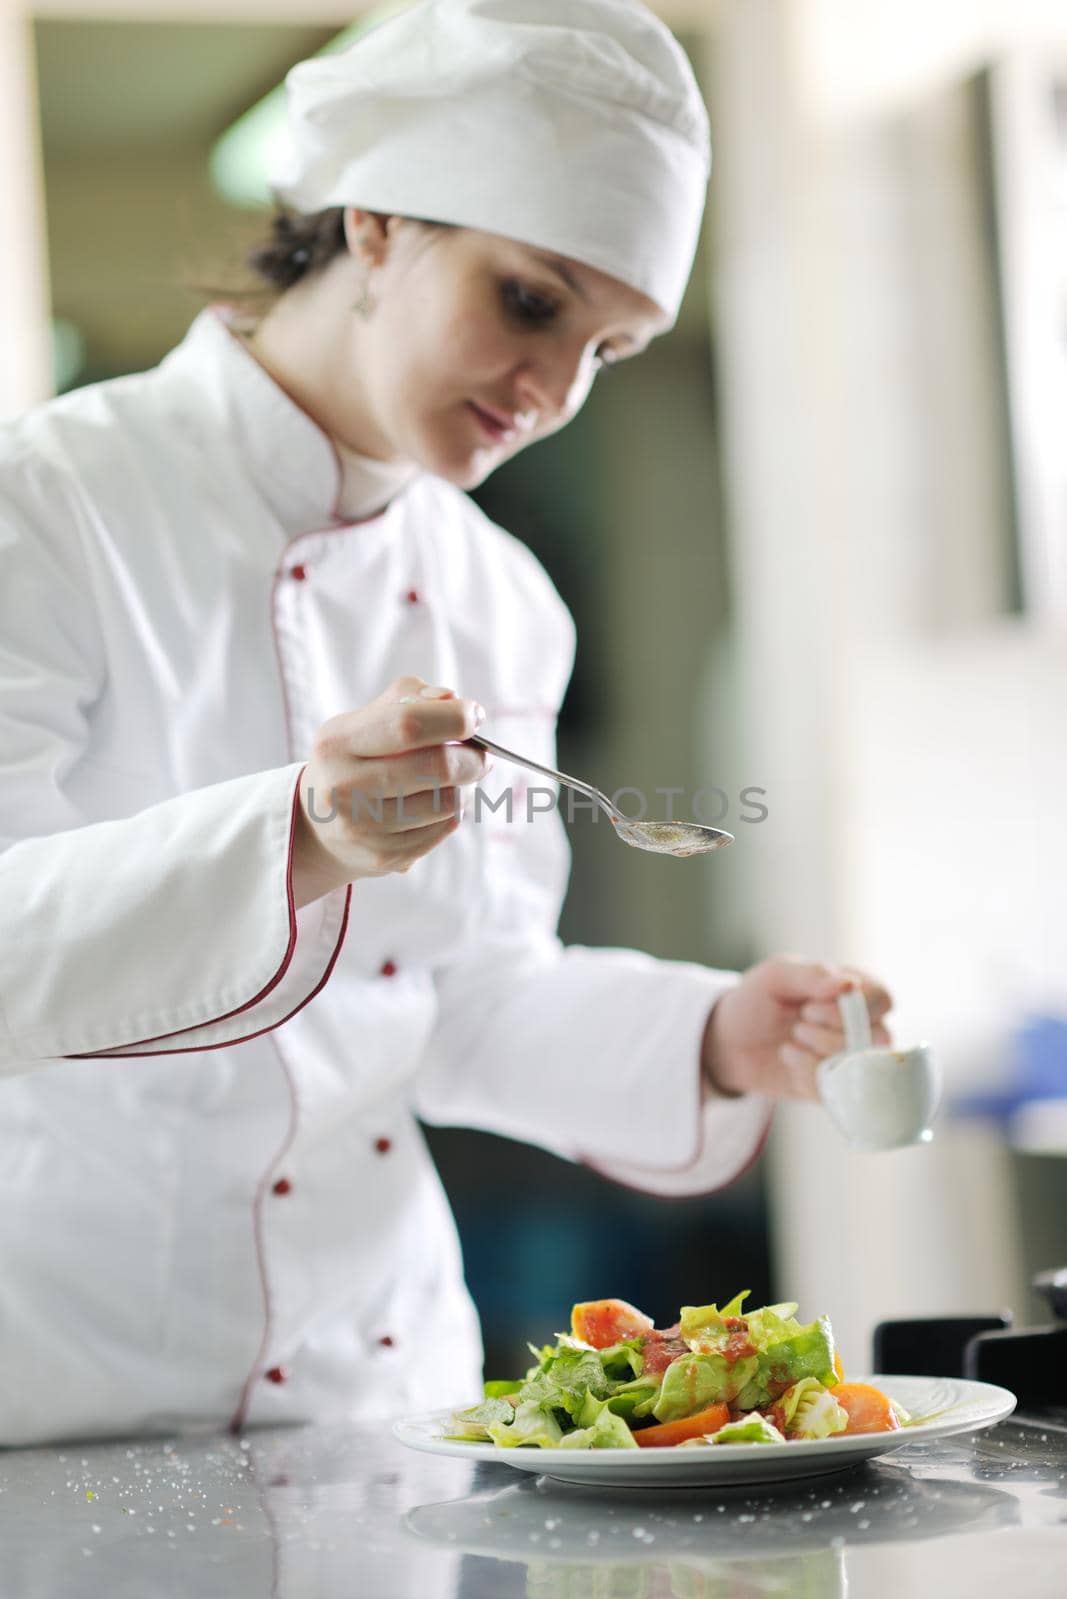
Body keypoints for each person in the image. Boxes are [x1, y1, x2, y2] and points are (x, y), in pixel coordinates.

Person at [0, 0, 891, 1448]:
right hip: (63, 1398)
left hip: (381, 1400)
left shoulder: (502, 601)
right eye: (531, 301)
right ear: (375, 224)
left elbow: (461, 997)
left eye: (607, 349)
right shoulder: (50, 505)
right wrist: (294, 835)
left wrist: (714, 1036)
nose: (550, 395)